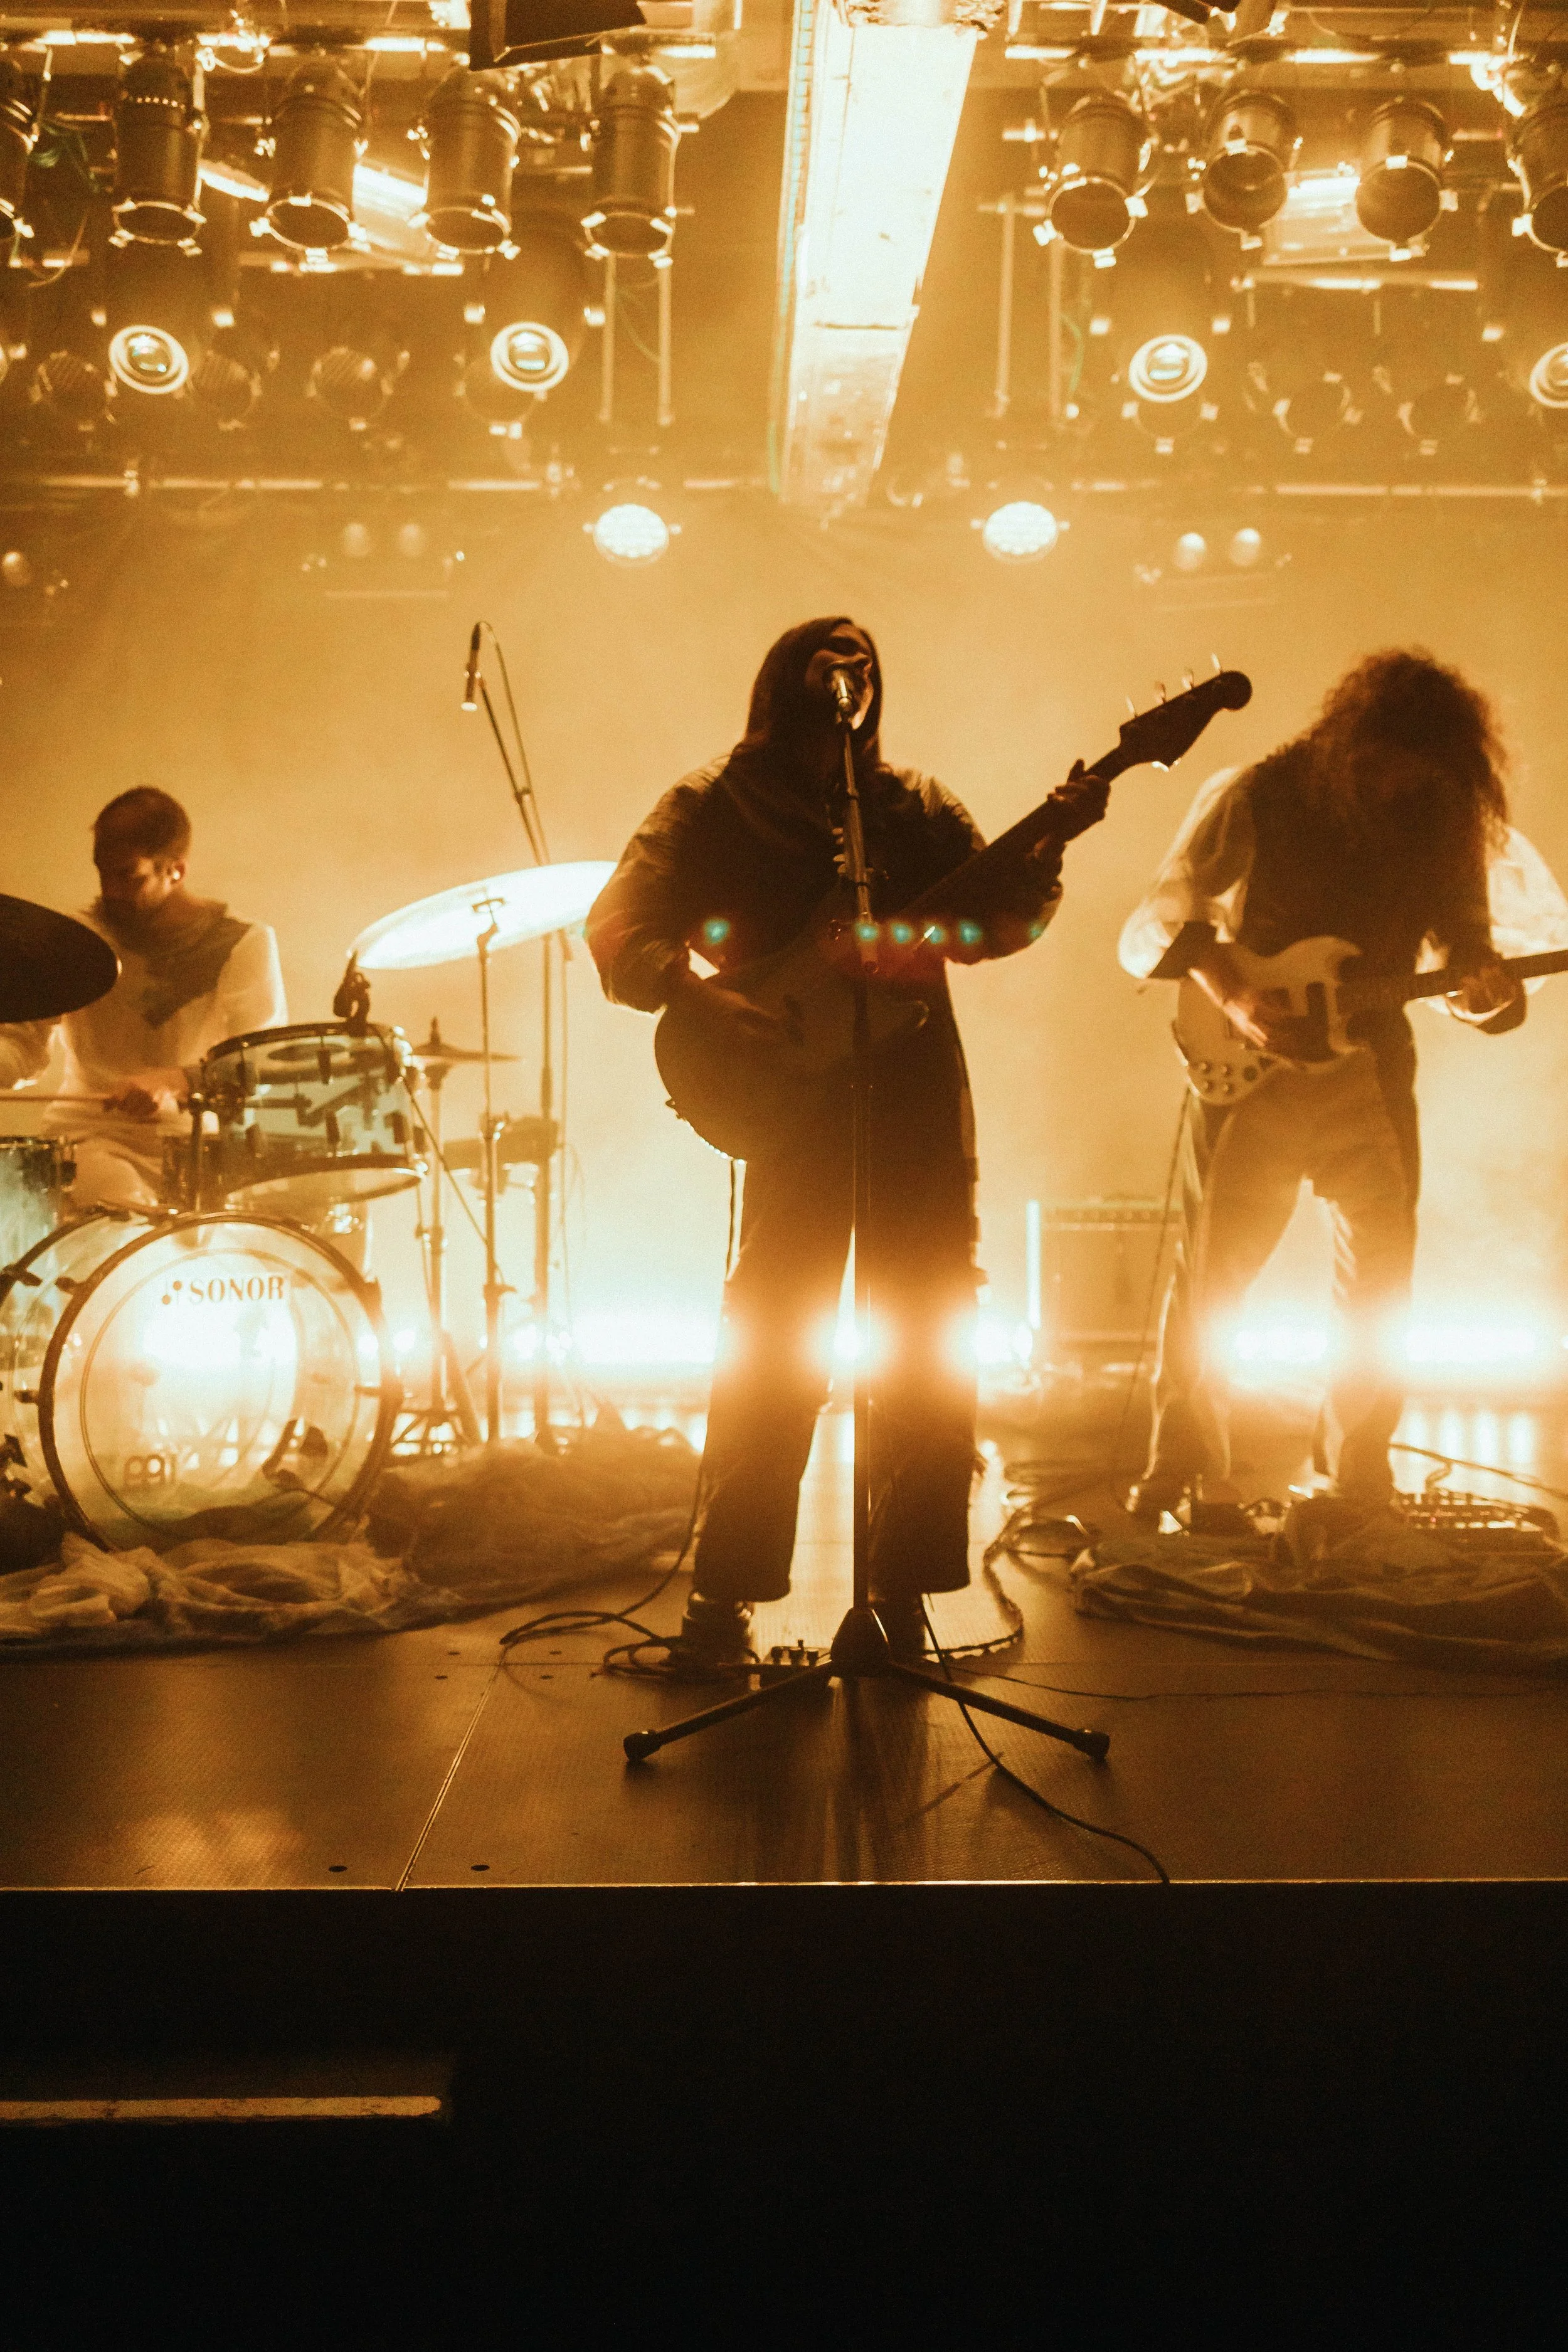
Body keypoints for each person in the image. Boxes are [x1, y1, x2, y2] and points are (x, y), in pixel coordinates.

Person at [588, 615, 1106, 1666]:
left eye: (865, 657)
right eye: (829, 654)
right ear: (782, 678)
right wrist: (707, 1000)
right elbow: (617, 928)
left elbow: (998, 923)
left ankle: (901, 1599)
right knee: (775, 1342)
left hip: (914, 1094)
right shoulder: (710, 803)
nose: (851, 669)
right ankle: (723, 1598)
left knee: (926, 1341)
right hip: (788, 1102)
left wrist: (1048, 840)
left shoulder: (912, 808)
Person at [1119, 647, 1564, 1518]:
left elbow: (1465, 938)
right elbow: (1171, 911)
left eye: (1418, 773)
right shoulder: (1260, 792)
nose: (1399, 786)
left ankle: (1357, 1471)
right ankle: (1180, 1468)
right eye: (1387, 764)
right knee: (1213, 1278)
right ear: (1354, 740)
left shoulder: (1447, 817)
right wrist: (1239, 996)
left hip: (1369, 1069)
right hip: (1257, 1079)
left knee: (1381, 1280)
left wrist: (1481, 979)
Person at [0, 787, 286, 1212]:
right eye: (103, 873)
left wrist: (176, 1080)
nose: (111, 891)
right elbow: (23, 1048)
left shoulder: (243, 942)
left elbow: (259, 1063)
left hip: (195, 1147)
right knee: (117, 1208)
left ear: (176, 870)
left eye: (128, 876)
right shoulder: (76, 938)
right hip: (88, 1138)